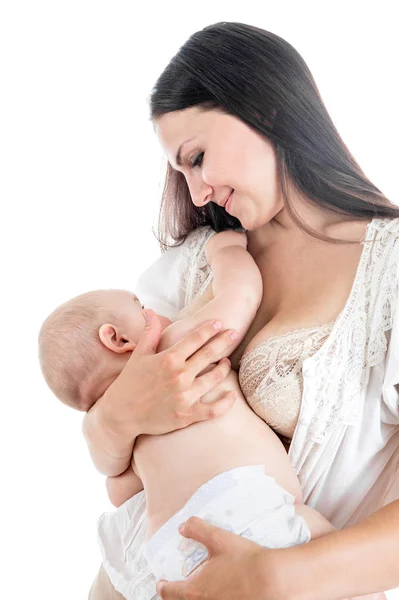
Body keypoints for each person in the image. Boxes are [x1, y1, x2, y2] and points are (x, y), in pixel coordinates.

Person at [82, 21, 399, 600]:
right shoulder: (194, 267)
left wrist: (274, 576)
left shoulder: (390, 272)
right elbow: (115, 460)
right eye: (181, 173)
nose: (197, 192)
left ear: (267, 109)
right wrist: (109, 421)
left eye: (198, 157)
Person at [38, 232, 336, 588]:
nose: (153, 310)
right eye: (139, 306)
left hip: (172, 551)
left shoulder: (128, 440)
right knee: (330, 554)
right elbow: (239, 296)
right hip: (243, 514)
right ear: (117, 339)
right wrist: (226, 251)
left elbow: (120, 495)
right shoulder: (173, 349)